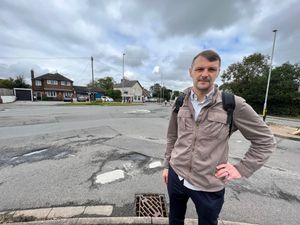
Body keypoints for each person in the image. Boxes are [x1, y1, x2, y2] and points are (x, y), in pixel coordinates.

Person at [162, 50, 276, 225]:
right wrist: (166, 165)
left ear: (218, 72)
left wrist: (242, 168)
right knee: (175, 219)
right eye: (199, 69)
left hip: (209, 185)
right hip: (176, 175)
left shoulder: (232, 104)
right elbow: (172, 136)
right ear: (190, 71)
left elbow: (265, 140)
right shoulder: (180, 101)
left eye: (211, 69)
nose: (205, 74)